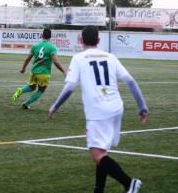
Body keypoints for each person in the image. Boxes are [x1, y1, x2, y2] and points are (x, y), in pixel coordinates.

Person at [49, 25, 149, 193]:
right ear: (99, 40)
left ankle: (129, 183)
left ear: (81, 40)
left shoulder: (79, 58)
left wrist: (55, 105)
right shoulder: (110, 57)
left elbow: (70, 87)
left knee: (98, 155)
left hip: (98, 110)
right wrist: (142, 106)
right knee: (102, 151)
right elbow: (130, 81)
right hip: (116, 107)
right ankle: (98, 190)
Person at [12, 28, 66, 109]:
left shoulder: (36, 46)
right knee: (40, 90)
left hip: (33, 71)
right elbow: (55, 61)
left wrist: (23, 68)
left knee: (31, 87)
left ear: (42, 35)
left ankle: (21, 90)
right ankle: (25, 104)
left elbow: (27, 59)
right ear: (50, 37)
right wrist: (63, 71)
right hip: (44, 73)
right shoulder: (52, 47)